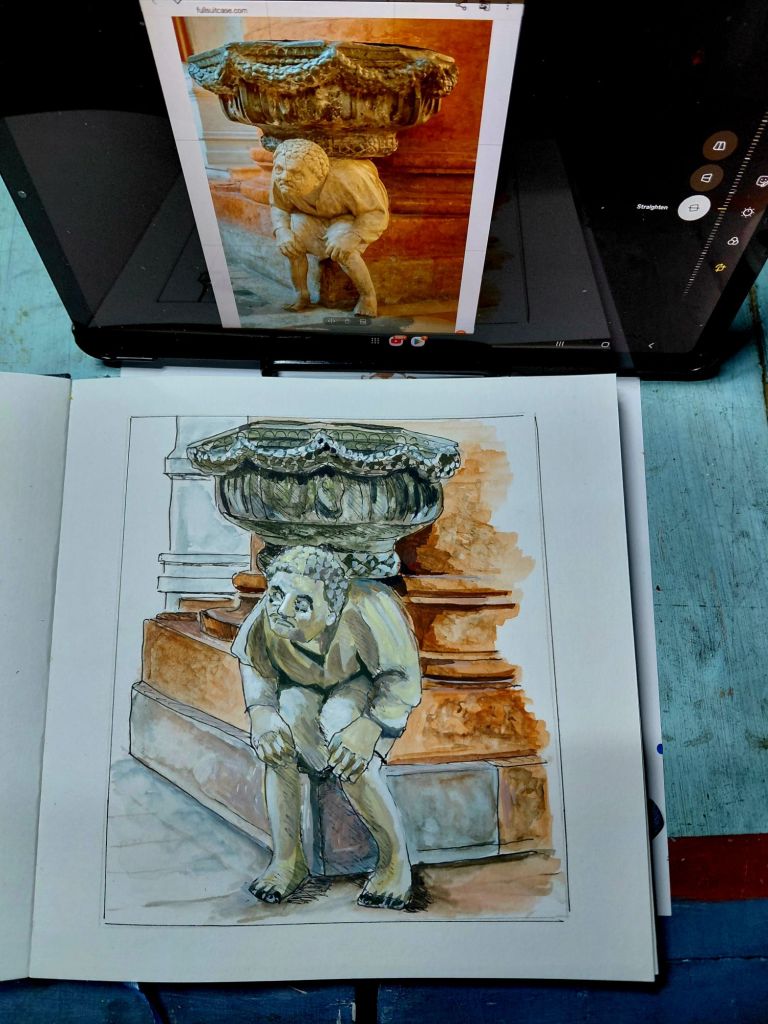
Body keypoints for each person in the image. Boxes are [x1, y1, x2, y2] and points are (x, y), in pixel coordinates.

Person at [231, 545, 421, 909]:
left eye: (301, 604)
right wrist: (262, 713)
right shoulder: (269, 614)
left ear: (332, 610)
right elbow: (254, 664)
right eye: (277, 594)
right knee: (281, 733)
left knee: (343, 735)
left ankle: (394, 862)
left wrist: (370, 726)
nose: (282, 609)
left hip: (361, 685)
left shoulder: (369, 607)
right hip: (301, 686)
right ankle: (287, 860)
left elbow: (401, 678)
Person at [269, 138, 389, 318]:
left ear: (317, 176)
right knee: (291, 243)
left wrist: (353, 236)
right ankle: (300, 293)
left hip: (346, 217)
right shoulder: (281, 174)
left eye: (296, 173)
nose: (284, 177)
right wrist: (282, 231)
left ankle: (368, 296)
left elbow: (375, 212)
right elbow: (279, 207)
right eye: (279, 169)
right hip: (310, 215)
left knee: (343, 250)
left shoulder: (349, 176)